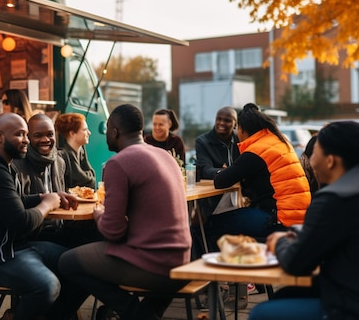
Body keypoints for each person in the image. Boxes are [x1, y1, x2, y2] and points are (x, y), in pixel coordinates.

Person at [0, 113, 87, 320]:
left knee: (81, 265)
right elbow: (21, 222)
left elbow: (15, 201)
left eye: (25, 134)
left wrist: (45, 196)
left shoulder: (2, 166)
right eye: (20, 135)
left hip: (12, 249)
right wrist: (47, 205)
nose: (26, 140)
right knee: (47, 286)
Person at [59, 104, 192, 320]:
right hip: (183, 258)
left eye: (108, 130)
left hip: (155, 265)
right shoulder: (165, 156)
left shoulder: (119, 163)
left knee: (67, 261)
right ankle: (144, 313)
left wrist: (99, 215)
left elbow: (113, 232)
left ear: (115, 131)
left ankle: (135, 314)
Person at [248, 121, 359, 320]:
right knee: (285, 296)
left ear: (331, 161)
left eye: (315, 152)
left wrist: (280, 241)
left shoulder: (335, 198)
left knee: (261, 313)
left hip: (355, 308)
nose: (310, 160)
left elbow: (295, 263)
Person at [202, 103, 311, 251]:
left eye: (237, 129)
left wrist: (224, 172)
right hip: (299, 217)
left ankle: (218, 268)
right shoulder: (279, 142)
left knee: (212, 224)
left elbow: (220, 182)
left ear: (242, 129)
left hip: (278, 219)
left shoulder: (256, 150)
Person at [14, 113, 101, 248]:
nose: (45, 139)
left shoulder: (59, 162)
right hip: (33, 236)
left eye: (50, 134)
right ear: (28, 137)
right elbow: (19, 208)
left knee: (99, 235)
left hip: (59, 229)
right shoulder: (18, 165)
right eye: (38, 135)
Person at [191, 106, 241, 257]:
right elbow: (205, 169)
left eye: (227, 120)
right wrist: (224, 173)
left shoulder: (240, 140)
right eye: (219, 119)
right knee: (201, 227)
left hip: (241, 197)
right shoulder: (203, 141)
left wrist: (230, 172)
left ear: (235, 124)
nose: (221, 123)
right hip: (214, 198)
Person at [55, 113, 96, 189]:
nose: (89, 133)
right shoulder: (62, 157)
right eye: (84, 130)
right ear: (72, 133)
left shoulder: (81, 152)